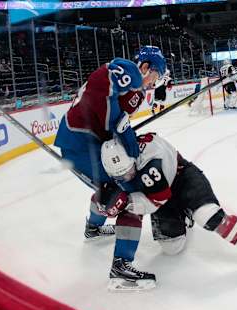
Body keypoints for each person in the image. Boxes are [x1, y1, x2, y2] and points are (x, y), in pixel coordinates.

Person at [96, 133, 237, 291]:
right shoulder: (124, 155)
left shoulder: (152, 162)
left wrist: (127, 202)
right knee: (172, 248)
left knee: (208, 216)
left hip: (183, 180)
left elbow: (155, 201)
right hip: (160, 194)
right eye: (120, 176)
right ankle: (185, 215)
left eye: (128, 172)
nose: (126, 178)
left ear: (133, 158)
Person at [54, 46, 166, 241]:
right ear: (146, 67)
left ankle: (93, 228)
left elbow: (115, 119)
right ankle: (123, 254)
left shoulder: (137, 91)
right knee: (122, 188)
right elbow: (106, 77)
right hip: (78, 142)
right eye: (155, 76)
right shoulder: (131, 73)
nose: (154, 83)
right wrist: (121, 129)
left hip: (90, 141)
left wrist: (122, 130)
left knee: (111, 187)